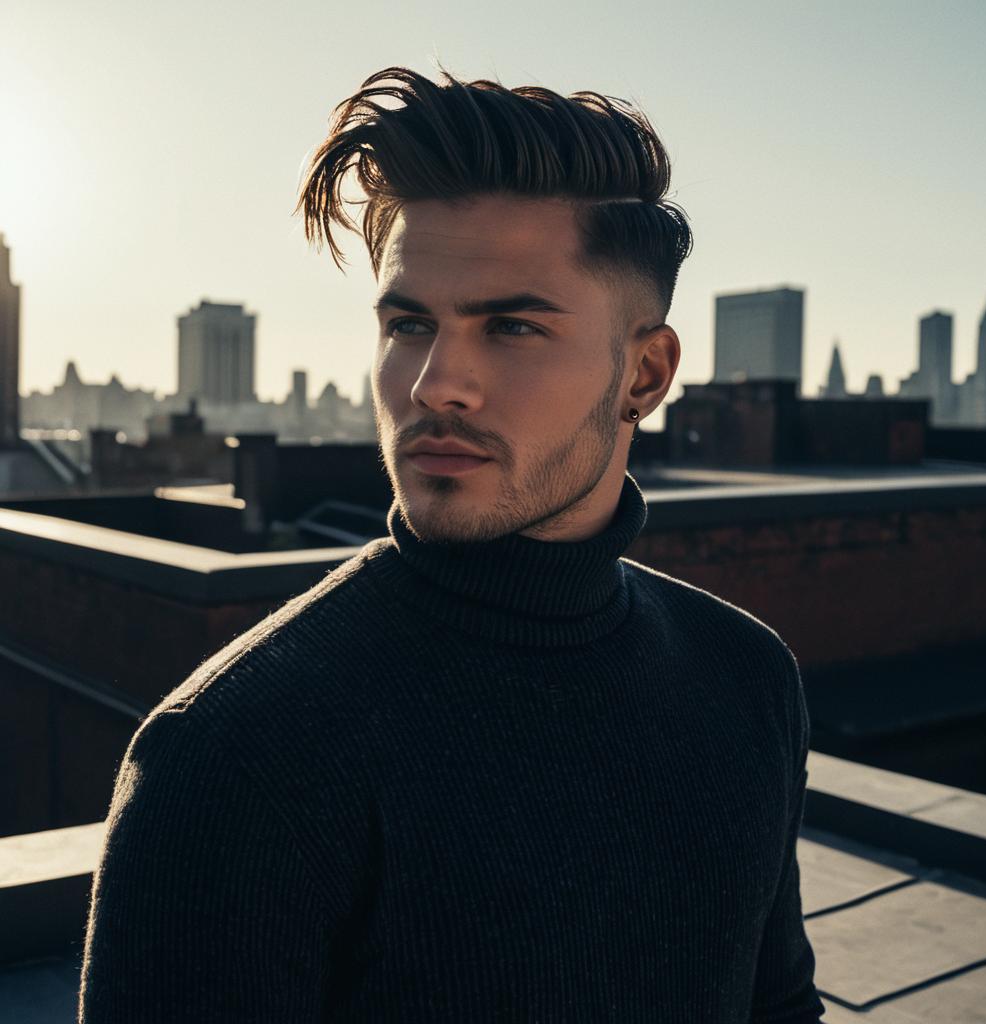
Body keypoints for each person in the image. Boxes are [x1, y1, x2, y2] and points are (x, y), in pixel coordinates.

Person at [78, 66, 824, 1022]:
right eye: (408, 323)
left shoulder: (745, 676)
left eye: (511, 325)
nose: (436, 384)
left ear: (645, 372)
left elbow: (778, 1005)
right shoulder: (240, 752)